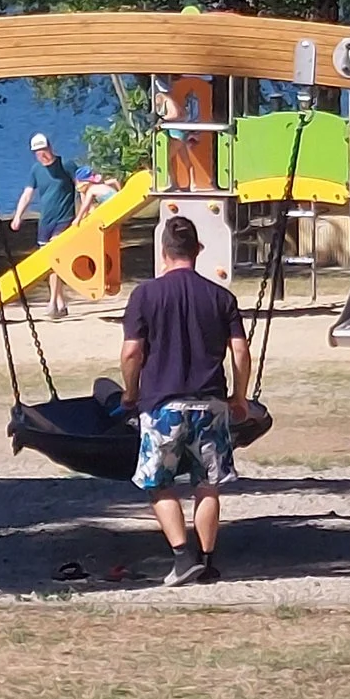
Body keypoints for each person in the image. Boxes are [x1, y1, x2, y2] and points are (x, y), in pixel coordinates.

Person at [121, 212, 254, 586]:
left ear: (163, 252)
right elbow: (241, 353)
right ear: (198, 250)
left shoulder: (145, 295)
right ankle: (208, 561)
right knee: (207, 484)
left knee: (157, 482)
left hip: (163, 405)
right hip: (211, 403)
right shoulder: (221, 297)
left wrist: (131, 393)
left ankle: (183, 557)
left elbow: (132, 352)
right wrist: (239, 397)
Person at [9, 131, 81, 319]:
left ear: (50, 147)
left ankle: (52, 304)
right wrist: (18, 216)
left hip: (64, 219)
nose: (42, 154)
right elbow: (27, 194)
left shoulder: (66, 165)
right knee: (51, 264)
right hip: (45, 221)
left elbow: (82, 186)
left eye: (44, 150)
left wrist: (85, 211)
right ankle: (60, 301)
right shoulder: (36, 170)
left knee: (55, 257)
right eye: (37, 152)